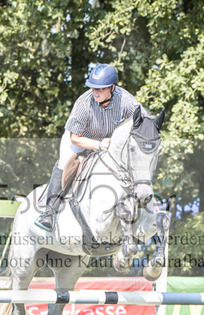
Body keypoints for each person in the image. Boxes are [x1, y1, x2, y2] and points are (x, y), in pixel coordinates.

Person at [34, 64, 142, 232]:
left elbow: (141, 120)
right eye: (93, 88)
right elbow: (74, 138)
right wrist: (98, 145)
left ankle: (141, 200)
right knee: (65, 160)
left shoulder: (125, 100)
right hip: (80, 139)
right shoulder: (84, 103)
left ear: (112, 88)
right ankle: (49, 211)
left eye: (100, 89)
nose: (95, 92)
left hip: (108, 142)